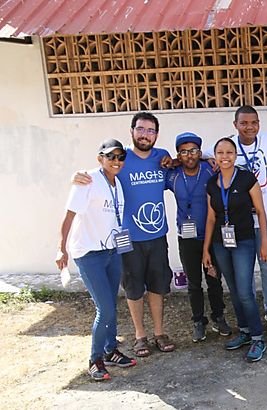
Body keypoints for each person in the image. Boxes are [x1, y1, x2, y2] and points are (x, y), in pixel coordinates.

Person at [73, 112, 176, 357]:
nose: (145, 134)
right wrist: (76, 175)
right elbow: (99, 170)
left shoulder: (162, 157)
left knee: (157, 286)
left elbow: (183, 161)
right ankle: (140, 336)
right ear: (132, 131)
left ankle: (159, 333)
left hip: (157, 234)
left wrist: (206, 156)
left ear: (157, 134)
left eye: (150, 130)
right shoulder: (121, 157)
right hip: (128, 239)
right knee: (133, 288)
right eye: (141, 129)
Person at [56, 139, 137, 381]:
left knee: (110, 304)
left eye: (120, 157)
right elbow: (69, 216)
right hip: (89, 253)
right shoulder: (87, 180)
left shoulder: (117, 184)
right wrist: (61, 249)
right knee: (106, 309)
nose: (116, 161)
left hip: (112, 251)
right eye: (110, 156)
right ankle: (95, 359)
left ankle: (111, 350)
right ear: (99, 158)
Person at [204, 106, 267, 331]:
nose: (249, 127)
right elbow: (200, 152)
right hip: (238, 222)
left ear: (259, 124)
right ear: (235, 125)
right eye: (244, 123)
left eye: (254, 123)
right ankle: (250, 317)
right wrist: (173, 161)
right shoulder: (227, 146)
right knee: (244, 273)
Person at [202, 137, 267, 362]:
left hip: (244, 241)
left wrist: (265, 242)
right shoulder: (212, 184)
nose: (225, 156)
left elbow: (260, 212)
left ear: (235, 155)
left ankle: (258, 337)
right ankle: (244, 331)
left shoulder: (247, 179)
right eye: (220, 152)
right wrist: (206, 250)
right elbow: (211, 218)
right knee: (232, 289)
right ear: (216, 155)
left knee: (245, 291)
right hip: (221, 244)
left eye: (229, 152)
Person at [166, 132, 230, 342]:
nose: (189, 155)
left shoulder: (210, 169)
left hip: (211, 235)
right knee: (193, 282)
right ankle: (198, 321)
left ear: (200, 152)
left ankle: (218, 316)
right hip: (187, 237)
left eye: (193, 151)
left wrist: (207, 159)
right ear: (179, 155)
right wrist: (167, 161)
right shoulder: (172, 175)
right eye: (184, 152)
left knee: (214, 278)